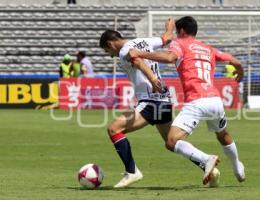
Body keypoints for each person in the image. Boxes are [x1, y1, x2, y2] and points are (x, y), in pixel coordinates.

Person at [99, 19, 219, 188]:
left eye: (107, 51)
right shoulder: (145, 41)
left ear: (111, 44)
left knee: (114, 129)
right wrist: (170, 26)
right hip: (163, 100)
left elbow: (138, 62)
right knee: (172, 143)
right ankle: (208, 165)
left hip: (150, 100)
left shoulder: (124, 50)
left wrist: (152, 78)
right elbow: (167, 38)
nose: (109, 55)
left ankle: (132, 171)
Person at [129, 16, 246, 183]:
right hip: (215, 100)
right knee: (223, 135)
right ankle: (237, 168)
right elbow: (235, 61)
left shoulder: (180, 43)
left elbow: (170, 57)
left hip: (196, 101)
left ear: (182, 31)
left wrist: (139, 53)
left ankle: (206, 159)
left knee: (171, 141)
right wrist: (240, 72)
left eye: (177, 31)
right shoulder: (207, 48)